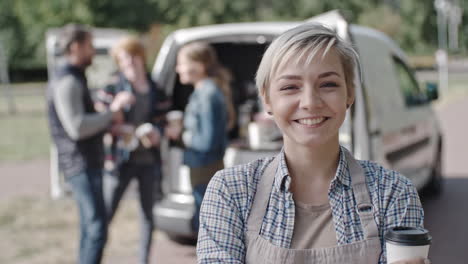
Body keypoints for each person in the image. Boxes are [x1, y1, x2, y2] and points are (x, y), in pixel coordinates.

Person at [196, 24, 428, 264]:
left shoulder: (392, 192)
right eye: (290, 87)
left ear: (349, 93)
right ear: (266, 99)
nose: (310, 102)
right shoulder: (231, 192)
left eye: (328, 84)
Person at [47, 24, 134, 264]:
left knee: (91, 226)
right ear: (75, 47)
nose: (93, 51)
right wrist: (111, 113)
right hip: (80, 163)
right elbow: (76, 127)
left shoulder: (74, 77)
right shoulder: (67, 81)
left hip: (85, 162)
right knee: (97, 227)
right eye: (90, 45)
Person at [98, 36, 170, 264]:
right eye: (122, 58)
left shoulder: (155, 88)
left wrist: (158, 131)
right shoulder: (112, 87)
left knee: (147, 216)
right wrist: (115, 111)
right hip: (120, 159)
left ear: (140, 57)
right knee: (106, 213)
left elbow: (164, 119)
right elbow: (100, 119)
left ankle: (143, 260)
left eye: (131, 56)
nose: (127, 62)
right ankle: (94, 257)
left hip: (149, 159)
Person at [166, 41, 235, 232]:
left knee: (206, 223)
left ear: (200, 65)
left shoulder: (207, 94)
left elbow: (206, 141)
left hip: (204, 166)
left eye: (182, 63)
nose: (178, 68)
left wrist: (181, 135)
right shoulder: (205, 91)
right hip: (204, 165)